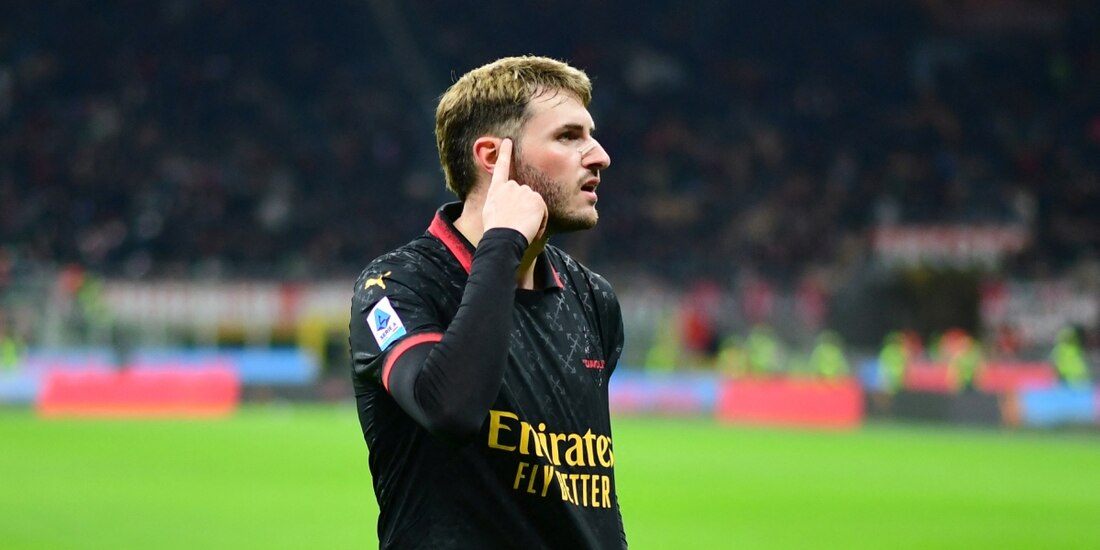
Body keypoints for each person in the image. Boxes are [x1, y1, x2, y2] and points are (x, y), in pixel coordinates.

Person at [349, 56, 626, 549]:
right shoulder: (397, 285)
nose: (599, 156)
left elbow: (590, 496)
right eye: (568, 136)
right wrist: (503, 242)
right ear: (493, 157)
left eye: (591, 135)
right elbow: (450, 410)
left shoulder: (592, 297)